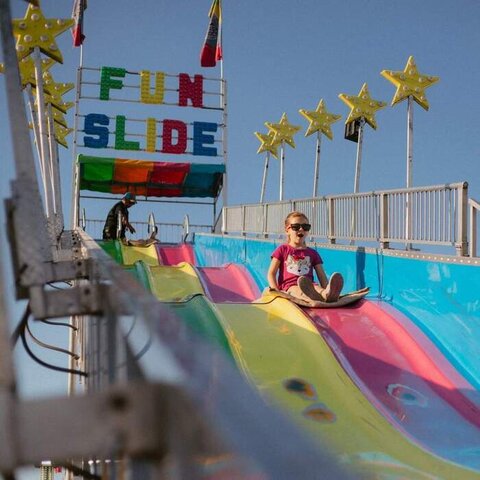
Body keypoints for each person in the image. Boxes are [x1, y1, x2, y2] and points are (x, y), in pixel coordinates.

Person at [267, 211, 344, 304]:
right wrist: (276, 291)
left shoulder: (312, 253)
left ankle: (327, 295)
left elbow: (322, 276)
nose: (301, 229)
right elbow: (271, 273)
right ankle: (313, 297)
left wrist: (327, 288)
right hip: (290, 287)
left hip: (309, 285)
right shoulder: (282, 249)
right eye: (296, 227)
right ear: (287, 230)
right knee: (296, 291)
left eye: (305, 227)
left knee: (317, 288)